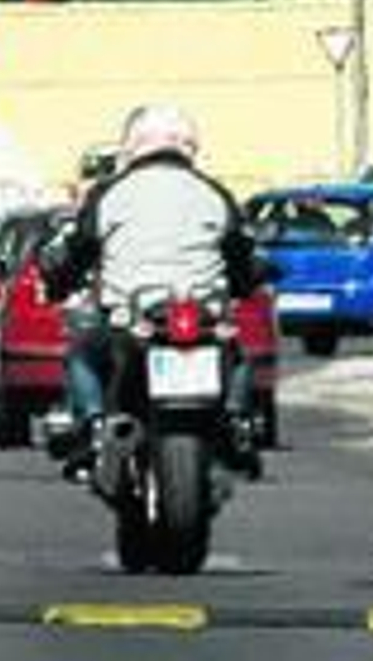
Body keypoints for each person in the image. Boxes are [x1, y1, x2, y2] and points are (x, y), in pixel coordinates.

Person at [41, 103, 261, 479]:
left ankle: (94, 426)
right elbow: (240, 252)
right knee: (238, 355)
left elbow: (79, 250)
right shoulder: (214, 193)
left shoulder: (110, 194)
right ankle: (237, 424)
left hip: (131, 320)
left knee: (80, 354)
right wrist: (245, 282)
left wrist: (58, 281)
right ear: (189, 147)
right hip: (201, 317)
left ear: (132, 148)